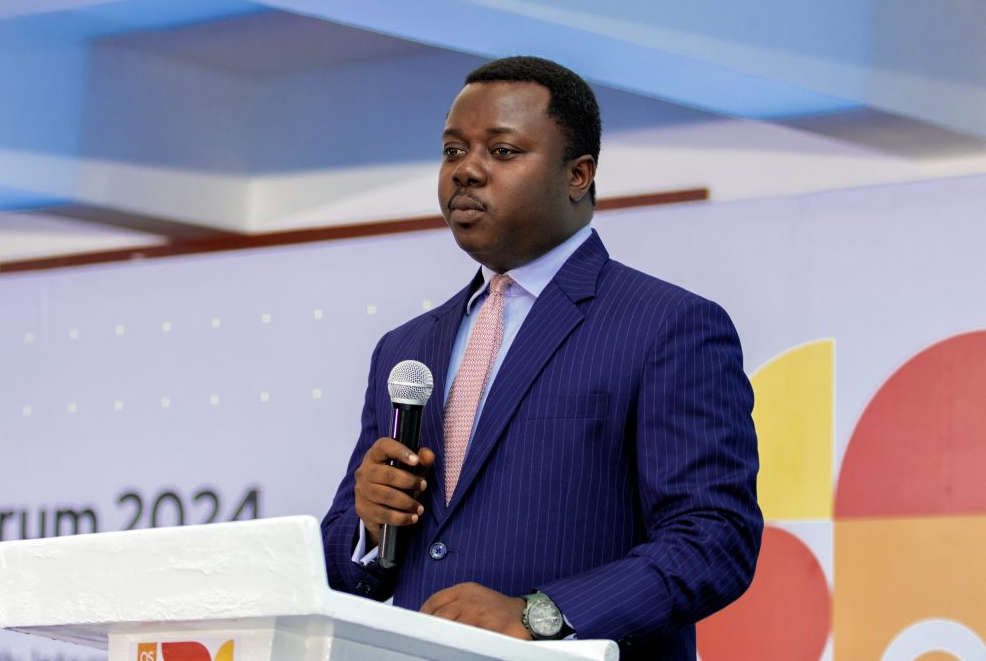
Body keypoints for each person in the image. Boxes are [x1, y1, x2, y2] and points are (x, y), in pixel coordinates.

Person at [321, 56, 762, 660]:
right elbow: (344, 571)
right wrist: (370, 528)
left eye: (502, 151)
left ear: (578, 174)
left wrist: (540, 615)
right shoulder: (405, 349)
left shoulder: (667, 325)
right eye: (453, 151)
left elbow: (713, 539)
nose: (466, 170)